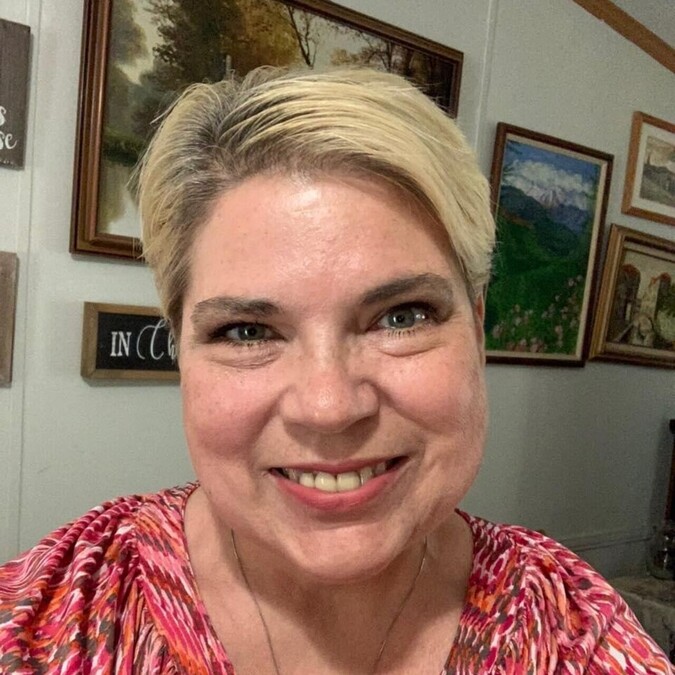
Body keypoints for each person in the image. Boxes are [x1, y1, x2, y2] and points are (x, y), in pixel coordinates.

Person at [0, 67, 671, 674]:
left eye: (401, 316)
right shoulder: (53, 619)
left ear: (475, 327)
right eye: (247, 331)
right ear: (181, 348)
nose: (327, 406)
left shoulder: (572, 628)